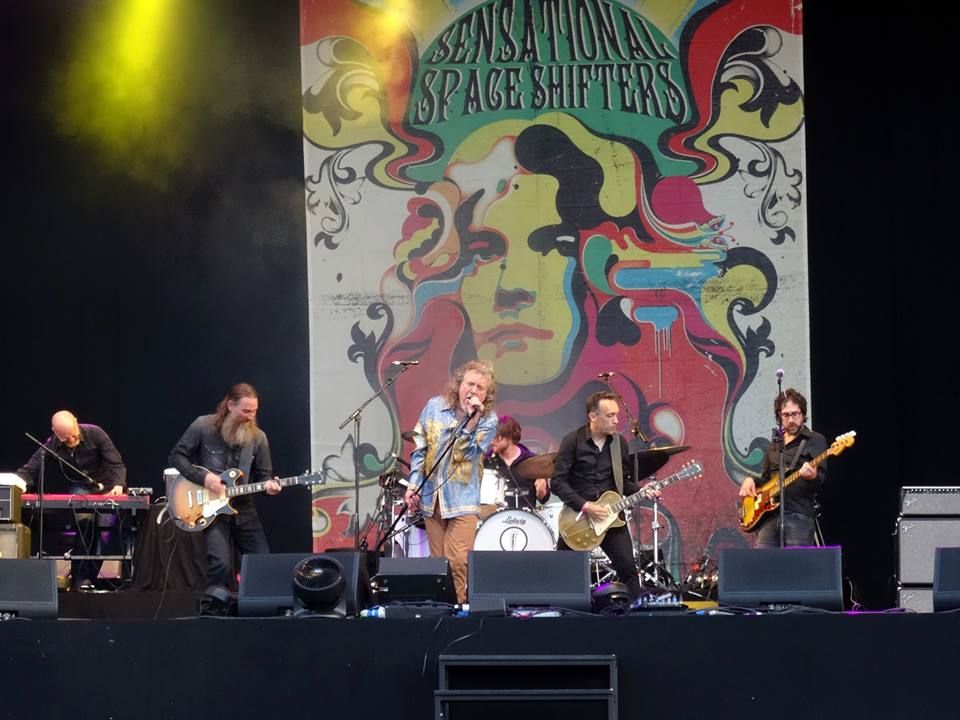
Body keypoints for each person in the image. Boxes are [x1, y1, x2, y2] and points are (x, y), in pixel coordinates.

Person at [168, 383, 281, 591]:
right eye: (245, 411)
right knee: (220, 563)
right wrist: (204, 478)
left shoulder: (259, 438)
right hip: (211, 508)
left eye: (254, 411)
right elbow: (176, 456)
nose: (250, 416)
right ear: (230, 406)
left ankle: (256, 605)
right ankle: (210, 605)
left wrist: (270, 488)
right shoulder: (203, 426)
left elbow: (264, 477)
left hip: (243, 508)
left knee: (262, 563)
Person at [403, 361, 498, 604]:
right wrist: (413, 485)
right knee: (438, 564)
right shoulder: (434, 407)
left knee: (457, 562)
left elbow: (465, 455)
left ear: (486, 395)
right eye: (470, 384)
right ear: (458, 384)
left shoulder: (489, 420)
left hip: (462, 500)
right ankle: (441, 609)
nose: (473, 390)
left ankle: (458, 609)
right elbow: (420, 449)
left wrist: (472, 421)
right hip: (431, 499)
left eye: (480, 387)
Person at [551, 391, 654, 599]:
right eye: (610, 415)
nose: (616, 420)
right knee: (563, 571)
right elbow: (557, 482)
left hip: (611, 518)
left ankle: (633, 612)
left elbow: (622, 483)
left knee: (628, 570)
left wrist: (641, 491)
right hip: (578, 518)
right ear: (593, 416)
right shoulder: (572, 442)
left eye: (617, 415)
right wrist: (585, 505)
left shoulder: (619, 444)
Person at [16, 410, 126, 590]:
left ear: (76, 421)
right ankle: (80, 580)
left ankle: (91, 578)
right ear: (56, 433)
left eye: (74, 435)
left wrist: (119, 485)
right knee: (84, 526)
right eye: (67, 438)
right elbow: (30, 468)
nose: (72, 440)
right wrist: (15, 484)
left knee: (104, 533)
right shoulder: (52, 444)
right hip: (81, 488)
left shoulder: (95, 433)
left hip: (106, 487)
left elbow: (116, 463)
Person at [738, 388, 827, 548]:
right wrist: (750, 480)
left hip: (799, 515)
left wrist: (812, 475)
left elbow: (821, 478)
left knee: (795, 562)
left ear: (803, 414)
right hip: (769, 517)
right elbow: (766, 479)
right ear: (779, 416)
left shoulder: (815, 439)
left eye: (795, 414)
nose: (791, 420)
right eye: (786, 415)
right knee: (764, 561)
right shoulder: (774, 444)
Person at [480, 415, 550, 521]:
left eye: (495, 437)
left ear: (509, 437)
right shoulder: (486, 461)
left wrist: (541, 491)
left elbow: (543, 499)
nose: (491, 441)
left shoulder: (532, 461)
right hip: (495, 523)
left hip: (526, 522)